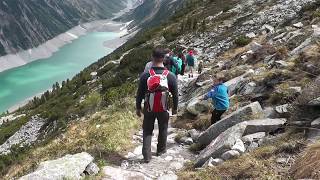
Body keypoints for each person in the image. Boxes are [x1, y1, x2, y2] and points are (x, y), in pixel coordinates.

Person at [136, 48, 178, 163]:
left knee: (147, 130)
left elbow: (139, 93)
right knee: (163, 128)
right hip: (164, 107)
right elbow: (175, 94)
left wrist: (138, 108)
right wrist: (175, 109)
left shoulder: (145, 75)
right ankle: (161, 150)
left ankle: (147, 155)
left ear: (152, 57)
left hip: (149, 107)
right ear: (164, 58)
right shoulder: (170, 75)